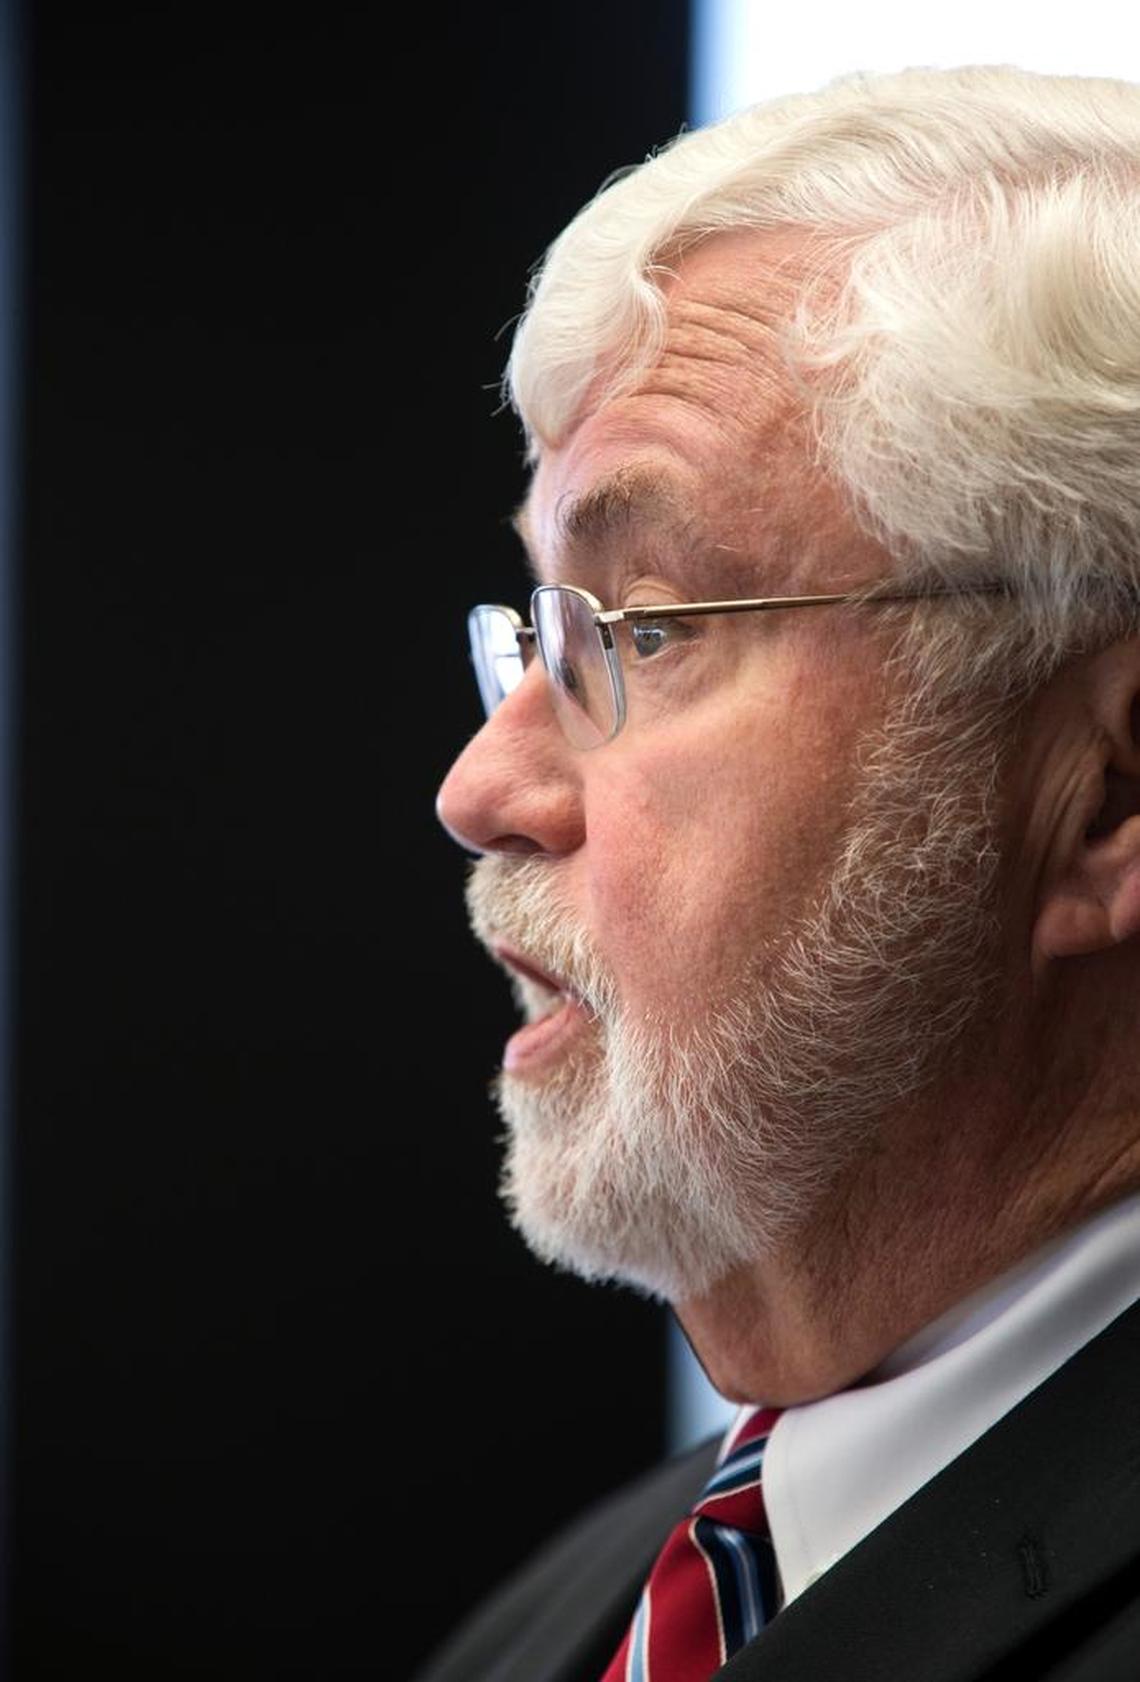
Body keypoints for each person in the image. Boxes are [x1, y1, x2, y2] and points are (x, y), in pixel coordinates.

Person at [424, 62, 1140, 1682]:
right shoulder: (552, 1619)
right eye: (542, 631)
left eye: (645, 629)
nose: (484, 790)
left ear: (1108, 794)